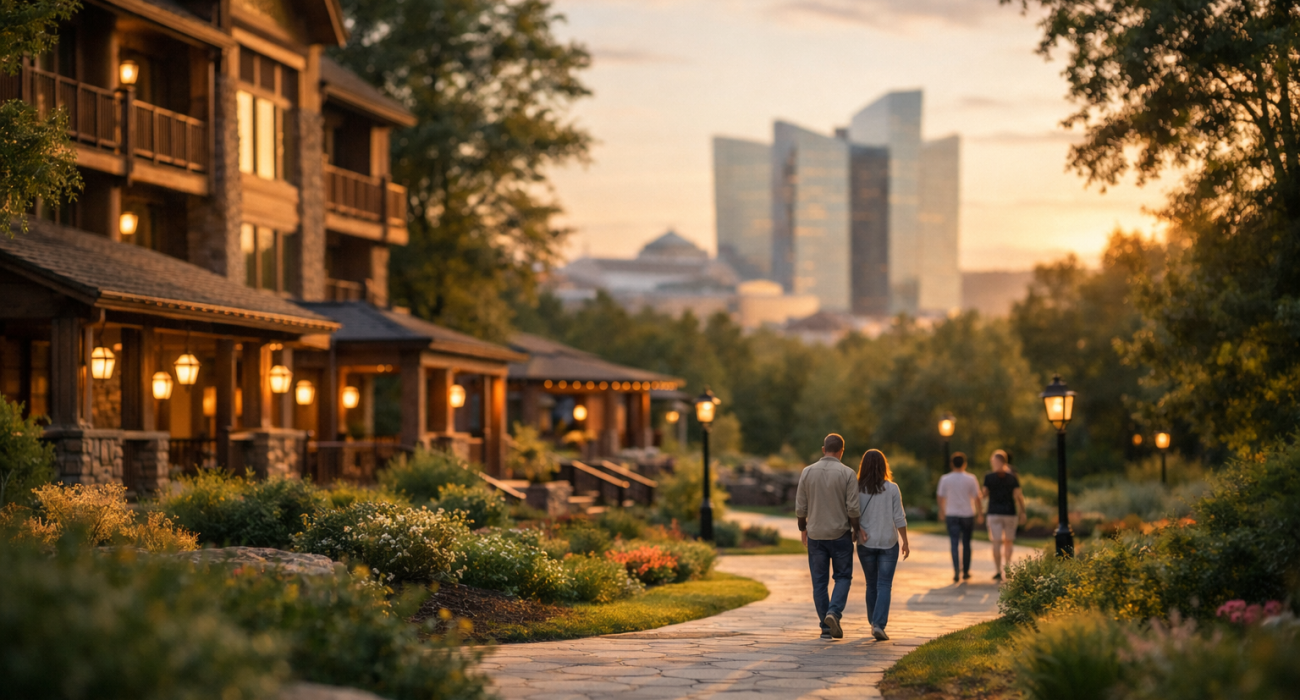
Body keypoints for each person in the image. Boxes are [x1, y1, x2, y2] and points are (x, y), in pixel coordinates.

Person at [795, 433, 862, 641]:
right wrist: (856, 529)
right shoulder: (848, 474)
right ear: (842, 451)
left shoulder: (807, 472)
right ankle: (834, 612)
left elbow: (800, 507)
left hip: (816, 535)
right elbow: (853, 508)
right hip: (840, 534)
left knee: (819, 582)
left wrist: (803, 529)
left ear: (823, 450)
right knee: (843, 577)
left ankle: (825, 626)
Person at [855, 449, 911, 641]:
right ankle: (878, 624)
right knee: (884, 584)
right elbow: (899, 517)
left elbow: (851, 514)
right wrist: (905, 541)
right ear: (883, 466)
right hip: (888, 542)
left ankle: (874, 623)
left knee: (871, 584)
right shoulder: (892, 488)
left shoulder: (856, 488)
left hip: (865, 543)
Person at [936, 452, 982, 583]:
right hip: (968, 514)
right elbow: (977, 497)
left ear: (951, 464)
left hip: (951, 514)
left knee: (954, 543)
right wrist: (980, 513)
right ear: (965, 464)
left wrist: (941, 510)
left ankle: (956, 570)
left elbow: (940, 497)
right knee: (967, 543)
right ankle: (966, 571)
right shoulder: (971, 478)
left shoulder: (945, 479)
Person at [982, 449, 1026, 581]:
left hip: (994, 513)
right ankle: (1007, 567)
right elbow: (1018, 496)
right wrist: (1022, 511)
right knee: (1008, 542)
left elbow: (984, 494)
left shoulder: (989, 477)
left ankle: (997, 571)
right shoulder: (1012, 478)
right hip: (1010, 512)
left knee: (996, 542)